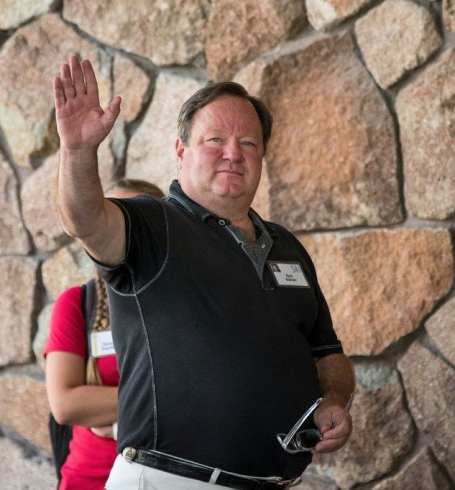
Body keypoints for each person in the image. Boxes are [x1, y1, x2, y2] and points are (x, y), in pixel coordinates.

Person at [52, 55, 356, 489]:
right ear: (181, 151)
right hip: (166, 480)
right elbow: (85, 219)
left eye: (249, 144)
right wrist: (78, 151)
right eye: (215, 139)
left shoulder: (287, 247)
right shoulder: (152, 225)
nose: (233, 153)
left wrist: (335, 399)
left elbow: (327, 353)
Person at [44, 179, 165, 490]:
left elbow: (208, 397)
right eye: (109, 220)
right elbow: (65, 404)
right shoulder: (77, 304)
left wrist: (113, 417)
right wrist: (156, 407)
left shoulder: (188, 304)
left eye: (135, 223)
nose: (120, 233)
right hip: (90, 479)